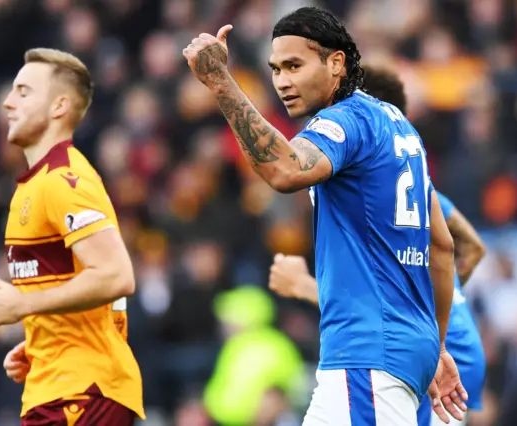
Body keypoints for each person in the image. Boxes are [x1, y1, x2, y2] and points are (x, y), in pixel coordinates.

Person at [183, 6, 466, 426]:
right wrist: (433, 346)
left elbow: (284, 169)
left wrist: (220, 81)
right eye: (276, 69)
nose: (282, 81)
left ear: (336, 63)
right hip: (394, 351)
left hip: (367, 354)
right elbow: (441, 247)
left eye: (295, 66)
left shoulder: (345, 121)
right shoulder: (398, 126)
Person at [268, 65, 487, 426]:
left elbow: (383, 301)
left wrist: (303, 287)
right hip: (438, 353)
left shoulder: (380, 191)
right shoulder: (413, 187)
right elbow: (468, 247)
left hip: (422, 364)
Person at [0, 48, 144, 425]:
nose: (8, 102)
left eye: (23, 92)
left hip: (81, 393)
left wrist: (25, 307)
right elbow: (102, 295)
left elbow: (117, 277)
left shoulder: (64, 181)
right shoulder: (34, 184)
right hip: (58, 388)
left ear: (59, 106)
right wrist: (44, 337)